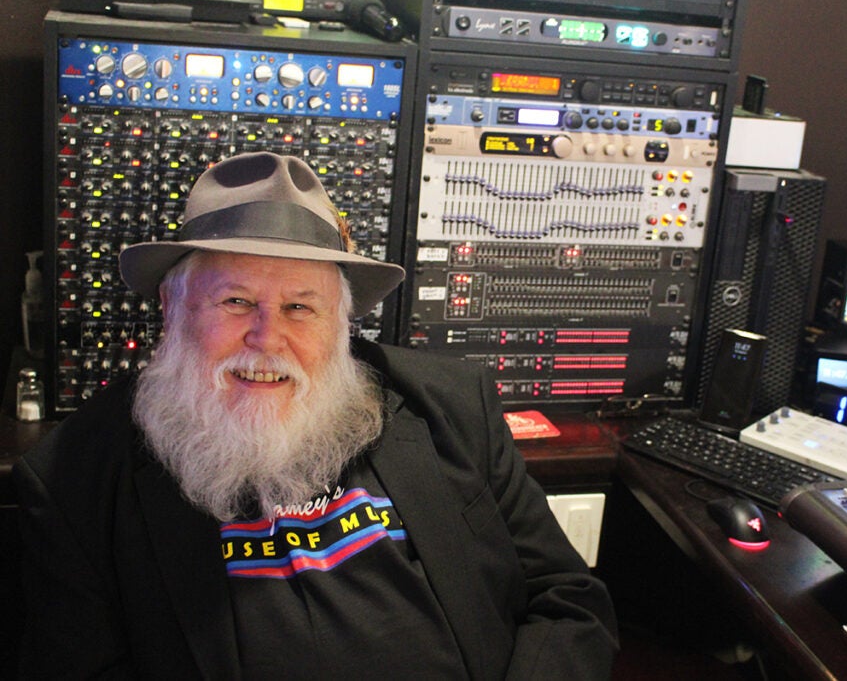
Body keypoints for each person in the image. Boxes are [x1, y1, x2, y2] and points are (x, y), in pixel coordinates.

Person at [15, 152, 618, 678]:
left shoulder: (455, 404)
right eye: (235, 301)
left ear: (341, 323)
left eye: (302, 307)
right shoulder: (75, 478)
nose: (266, 337)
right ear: (172, 310)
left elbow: (567, 599)